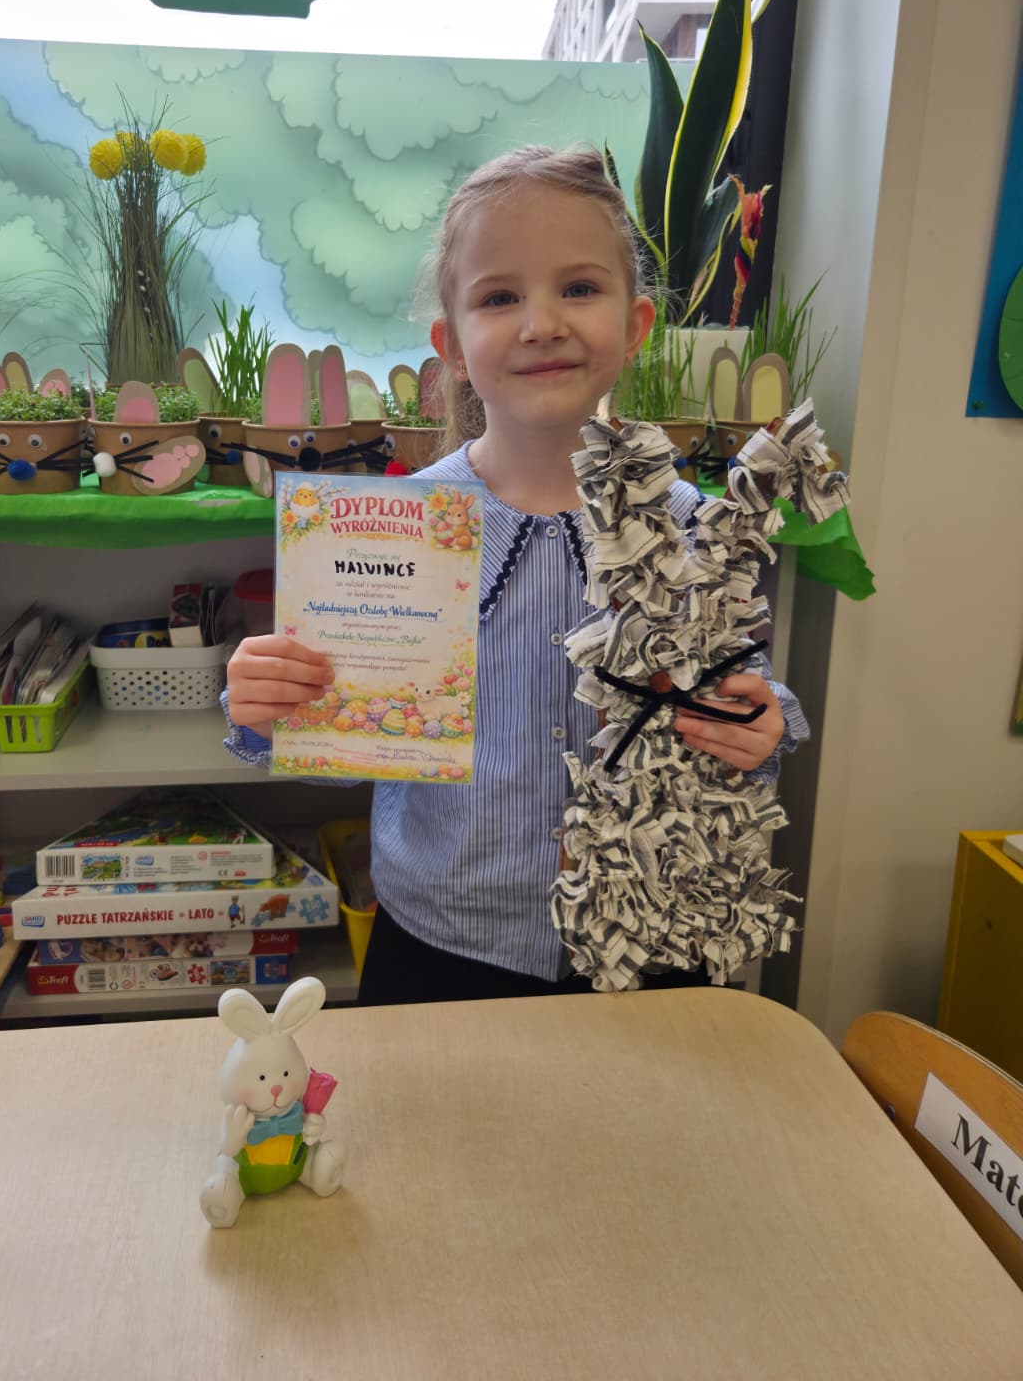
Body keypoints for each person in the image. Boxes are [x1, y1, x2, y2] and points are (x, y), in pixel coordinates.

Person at [223, 145, 807, 1006]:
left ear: (636, 325)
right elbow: (342, 752)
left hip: (650, 944)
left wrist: (763, 721)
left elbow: (740, 693)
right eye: (500, 298)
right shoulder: (390, 533)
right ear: (452, 346)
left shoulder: (692, 529)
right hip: (441, 945)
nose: (541, 324)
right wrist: (270, 707)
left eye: (580, 288)